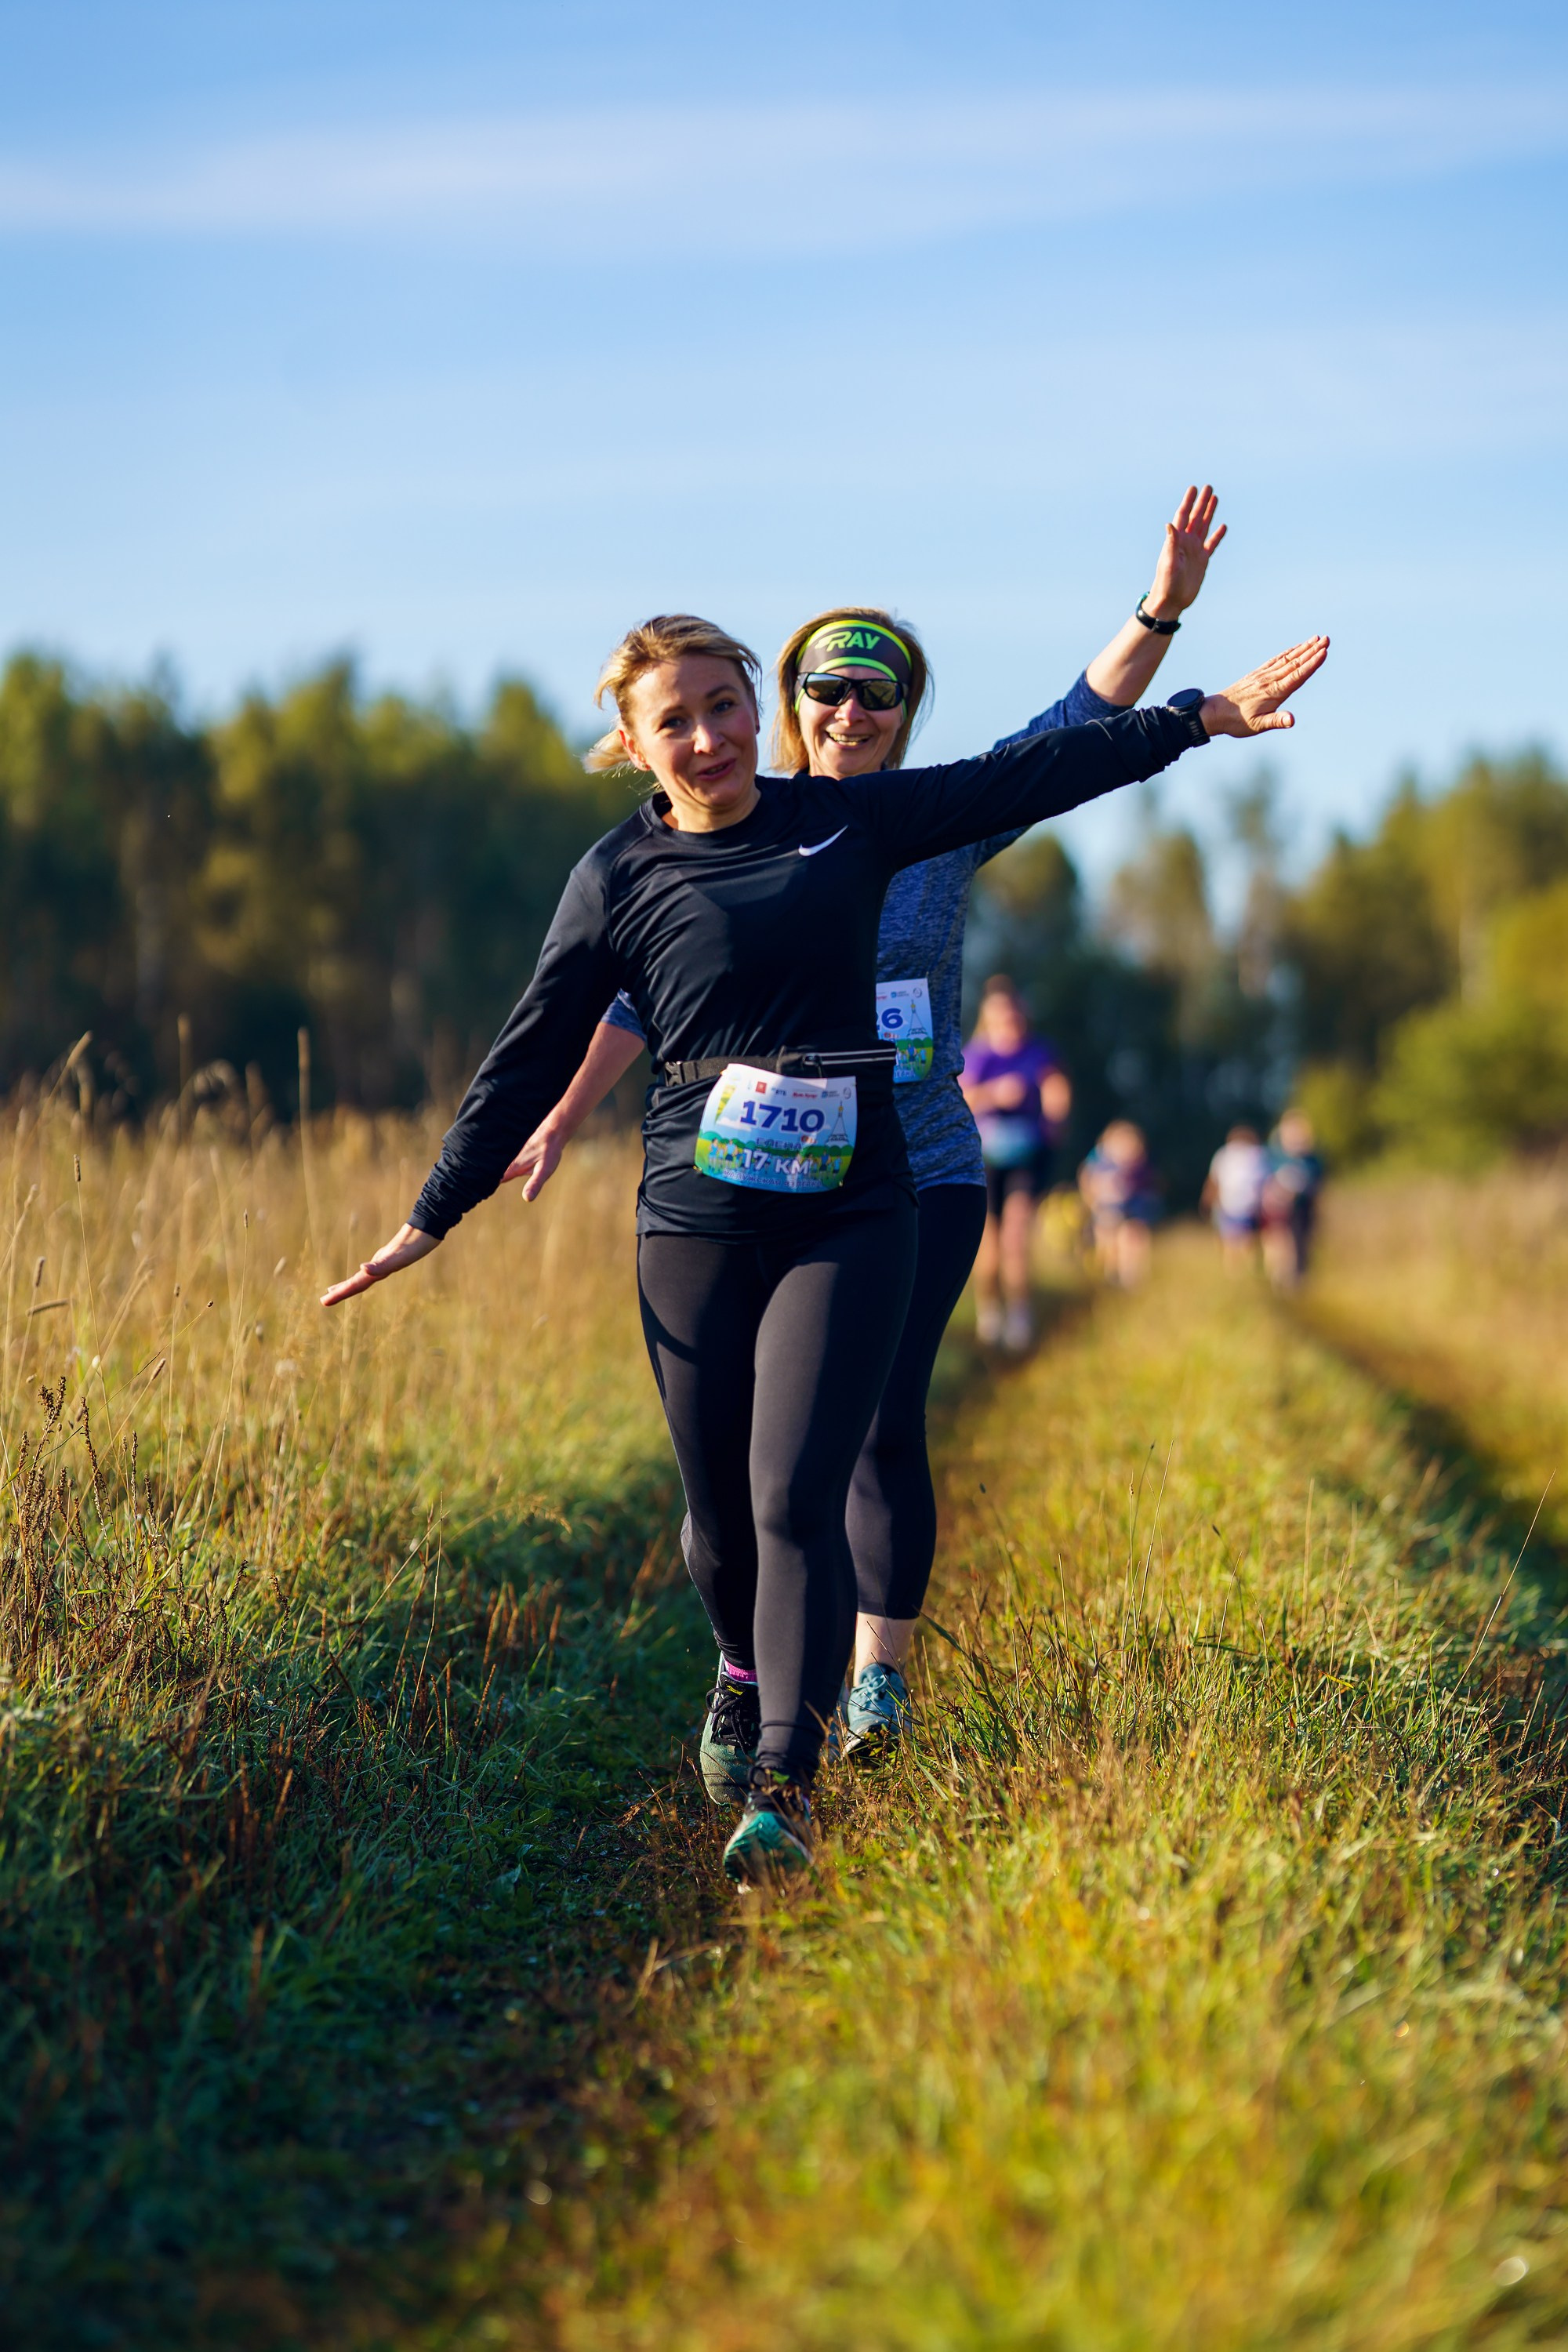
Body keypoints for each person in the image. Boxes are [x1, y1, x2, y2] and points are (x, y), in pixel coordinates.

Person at [323, 611, 1327, 1889]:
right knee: (720, 1516)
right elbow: (532, 1043)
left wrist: (1193, 718)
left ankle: (786, 1787)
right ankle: (744, 1669)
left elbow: (1039, 767)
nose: (707, 736)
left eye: (722, 706)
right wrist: (434, 1209)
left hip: (856, 1205)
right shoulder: (616, 875)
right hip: (695, 1214)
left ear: (758, 709)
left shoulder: (850, 820)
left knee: (797, 1491)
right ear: (632, 742)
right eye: (675, 720)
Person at [511, 488, 1229, 1782]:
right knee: (757, 1463)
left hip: (922, 1172)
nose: (852, 710)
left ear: (905, 712)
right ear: (790, 705)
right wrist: (562, 1112)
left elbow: (1078, 724)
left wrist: (1161, 608)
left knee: (882, 1416)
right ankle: (754, 1669)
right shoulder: (740, 821)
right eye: (828, 690)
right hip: (761, 1179)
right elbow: (634, 991)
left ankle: (876, 1678)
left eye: (878, 692)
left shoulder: (940, 821)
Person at [960, 976, 1070, 1352]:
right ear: (988, 1018)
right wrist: (995, 1094)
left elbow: (1056, 1089)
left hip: (1028, 1156)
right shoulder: (977, 1055)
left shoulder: (1039, 1051)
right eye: (1000, 1016)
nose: (1008, 1023)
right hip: (984, 1158)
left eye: (1013, 1015)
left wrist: (1055, 1118)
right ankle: (990, 1316)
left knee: (1016, 1236)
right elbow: (962, 1098)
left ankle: (1021, 1318)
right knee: (989, 1244)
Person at [1078, 1120, 1160, 1287]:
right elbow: (1086, 1179)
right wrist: (1090, 1200)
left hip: (1129, 1212)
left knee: (1130, 1240)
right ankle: (1108, 1276)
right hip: (1105, 1211)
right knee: (1107, 1246)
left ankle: (1129, 1278)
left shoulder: (1137, 1169)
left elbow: (1148, 1188)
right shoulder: (1100, 1163)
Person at [1261, 1107, 1323, 1291]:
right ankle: (1278, 1283)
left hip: (1303, 1210)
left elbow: (1318, 1185)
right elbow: (1263, 1182)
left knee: (1302, 1247)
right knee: (1278, 1246)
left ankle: (1296, 1284)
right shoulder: (1273, 1156)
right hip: (1277, 1211)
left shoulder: (1313, 1160)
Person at [1203, 1123, 1271, 1268]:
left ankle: (1236, 1269)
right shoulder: (1257, 1156)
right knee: (1242, 1240)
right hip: (1243, 1206)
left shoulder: (1226, 1155)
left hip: (1237, 1206)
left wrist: (1208, 1201)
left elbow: (1214, 1181)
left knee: (1235, 1241)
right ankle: (1243, 1269)